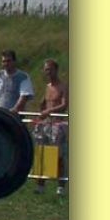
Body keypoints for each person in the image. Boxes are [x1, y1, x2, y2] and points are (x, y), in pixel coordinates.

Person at [32, 59, 69, 195]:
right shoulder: (47, 86)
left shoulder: (63, 86)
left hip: (58, 124)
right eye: (46, 69)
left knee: (59, 155)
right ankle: (40, 185)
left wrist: (49, 111)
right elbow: (43, 103)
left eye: (50, 69)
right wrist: (41, 113)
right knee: (43, 154)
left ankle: (61, 186)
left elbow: (64, 104)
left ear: (56, 70)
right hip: (46, 124)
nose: (48, 72)